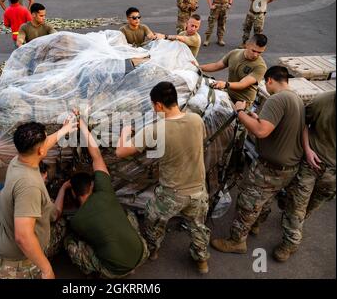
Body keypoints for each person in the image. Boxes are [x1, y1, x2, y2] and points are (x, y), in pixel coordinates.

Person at [116, 82, 211, 274]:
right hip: (198, 191)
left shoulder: (155, 130)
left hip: (171, 194)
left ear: (158, 105)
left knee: (153, 220)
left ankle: (153, 250)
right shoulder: (196, 120)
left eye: (153, 105)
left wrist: (125, 132)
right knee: (198, 227)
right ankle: (202, 261)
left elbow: (120, 152)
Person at [211, 66, 305, 254]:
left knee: (248, 202)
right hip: (289, 166)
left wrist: (240, 112)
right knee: (266, 199)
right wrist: (254, 117)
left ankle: (237, 241)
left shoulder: (276, 99)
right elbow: (274, 126)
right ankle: (256, 224)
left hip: (270, 167)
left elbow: (261, 131)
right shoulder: (295, 98)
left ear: (269, 80)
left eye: (265, 82)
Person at [63, 112, 149, 278]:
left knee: (70, 242)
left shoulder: (77, 221)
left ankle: (97, 270)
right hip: (142, 252)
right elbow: (96, 154)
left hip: (114, 270)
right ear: (92, 185)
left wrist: (63, 188)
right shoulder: (105, 191)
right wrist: (82, 124)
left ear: (73, 193)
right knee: (128, 214)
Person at [0, 119, 77, 279]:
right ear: (40, 151)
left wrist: (64, 130)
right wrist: (46, 269)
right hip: (16, 266)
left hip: (6, 252)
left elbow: (43, 146)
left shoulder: (17, 161)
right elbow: (23, 236)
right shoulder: (29, 186)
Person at [275, 91, 335, 262]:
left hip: (332, 176)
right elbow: (303, 124)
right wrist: (307, 150)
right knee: (297, 205)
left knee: (311, 206)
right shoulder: (323, 101)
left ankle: (293, 222)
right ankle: (290, 243)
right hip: (312, 164)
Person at [200, 34, 268, 105]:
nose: (255, 55)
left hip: (242, 102)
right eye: (253, 51)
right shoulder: (235, 53)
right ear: (247, 45)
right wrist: (198, 67)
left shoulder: (260, 66)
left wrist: (225, 84)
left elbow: (242, 84)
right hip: (227, 94)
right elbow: (216, 65)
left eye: (259, 52)